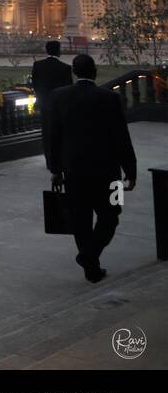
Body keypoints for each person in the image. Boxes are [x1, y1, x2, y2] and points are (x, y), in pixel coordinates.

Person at [47, 55, 138, 283]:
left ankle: (90, 264)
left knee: (81, 220)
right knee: (111, 217)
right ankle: (89, 260)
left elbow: (52, 137)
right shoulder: (109, 98)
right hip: (108, 172)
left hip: (74, 171)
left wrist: (56, 170)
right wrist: (131, 169)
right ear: (95, 72)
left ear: (75, 73)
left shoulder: (59, 97)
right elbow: (121, 138)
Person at [32, 40, 72, 164]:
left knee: (46, 132)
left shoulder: (38, 65)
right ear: (58, 51)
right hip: (60, 106)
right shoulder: (65, 68)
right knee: (60, 133)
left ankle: (49, 159)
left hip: (44, 104)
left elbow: (35, 85)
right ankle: (59, 158)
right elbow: (68, 88)